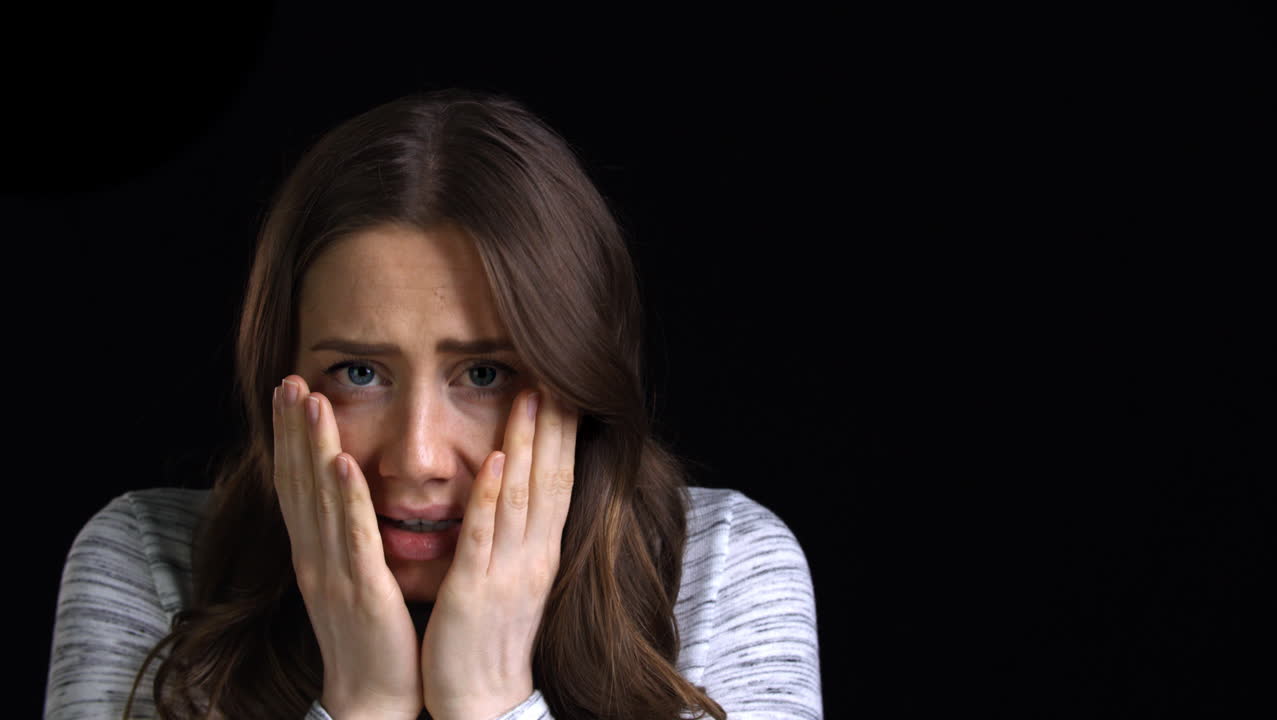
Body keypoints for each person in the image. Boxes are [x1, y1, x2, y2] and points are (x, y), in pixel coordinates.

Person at [44, 88, 822, 720]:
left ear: (577, 385)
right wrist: (364, 704)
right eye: (359, 372)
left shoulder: (720, 573)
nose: (417, 458)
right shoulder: (149, 565)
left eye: (484, 375)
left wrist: (488, 700)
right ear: (279, 376)